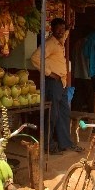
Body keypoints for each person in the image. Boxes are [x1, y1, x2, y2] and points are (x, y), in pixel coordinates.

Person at [30, 18, 82, 155]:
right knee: (52, 115)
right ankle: (48, 145)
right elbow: (35, 58)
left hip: (62, 83)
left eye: (62, 29)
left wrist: (68, 28)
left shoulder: (60, 42)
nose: (61, 31)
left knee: (64, 114)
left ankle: (65, 143)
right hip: (53, 83)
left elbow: (64, 35)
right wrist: (50, 73)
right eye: (58, 29)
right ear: (52, 29)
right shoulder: (49, 44)